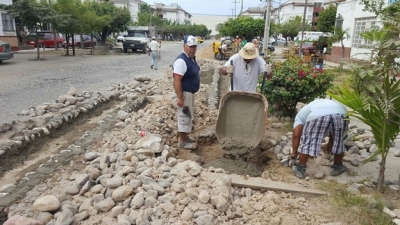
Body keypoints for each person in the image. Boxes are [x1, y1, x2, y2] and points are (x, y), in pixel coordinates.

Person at [290, 99, 349, 179]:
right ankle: (338, 165)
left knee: (309, 142)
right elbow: (333, 133)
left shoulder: (300, 115)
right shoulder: (316, 104)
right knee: (338, 139)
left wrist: (294, 152)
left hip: (318, 115)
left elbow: (296, 135)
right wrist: (329, 145)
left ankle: (301, 167)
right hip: (342, 114)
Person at [172, 35, 200, 150]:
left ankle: (186, 136)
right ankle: (182, 141)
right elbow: (177, 79)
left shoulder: (191, 58)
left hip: (190, 93)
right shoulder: (181, 61)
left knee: (188, 115)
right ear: (184, 46)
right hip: (185, 93)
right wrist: (180, 97)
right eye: (190, 46)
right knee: (184, 116)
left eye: (194, 47)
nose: (192, 49)